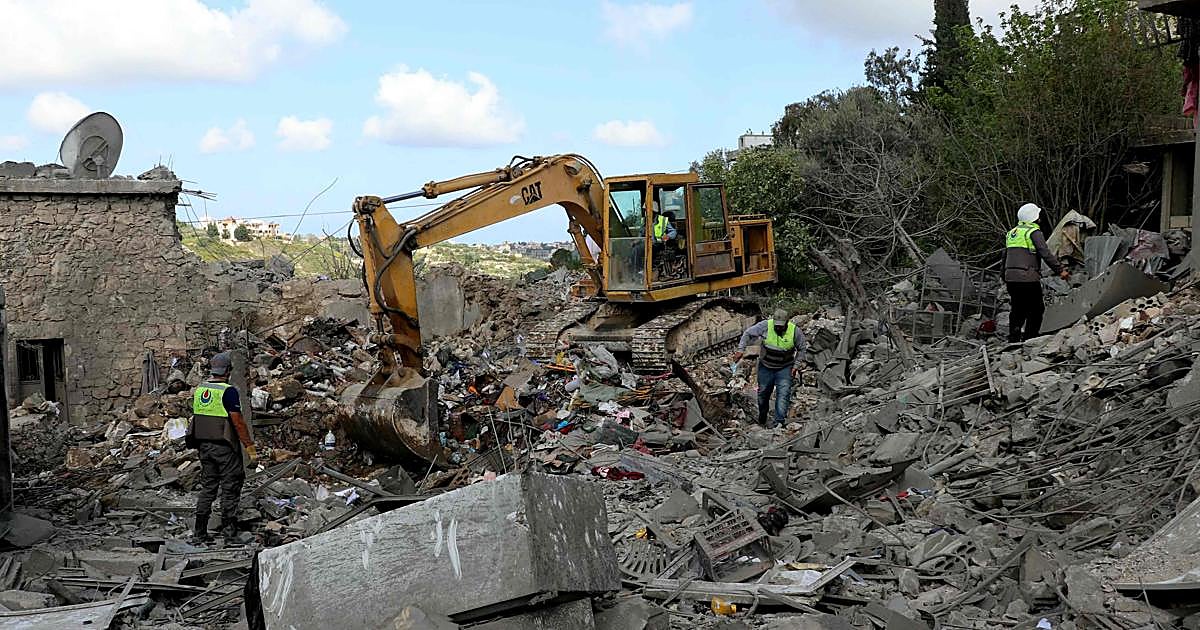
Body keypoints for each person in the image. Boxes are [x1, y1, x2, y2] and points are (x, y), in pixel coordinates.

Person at [187, 352, 257, 543]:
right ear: (228, 371)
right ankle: (229, 535)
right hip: (224, 448)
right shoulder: (228, 391)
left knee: (208, 487)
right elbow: (238, 423)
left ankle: (199, 533)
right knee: (230, 487)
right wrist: (249, 448)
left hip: (204, 447)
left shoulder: (201, 390)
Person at [1003, 203, 1070, 343]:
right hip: (1027, 277)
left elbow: (1005, 256)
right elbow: (1045, 253)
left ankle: (1014, 337)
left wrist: (1003, 275)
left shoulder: (1012, 233)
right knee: (1036, 309)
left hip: (1011, 277)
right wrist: (1060, 270)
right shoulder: (1033, 232)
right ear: (1034, 218)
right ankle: (1030, 339)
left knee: (1017, 308)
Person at [732, 309, 806, 428]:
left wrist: (796, 366)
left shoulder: (795, 331)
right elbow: (748, 334)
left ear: (787, 323)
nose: (778, 328)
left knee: (783, 394)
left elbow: (802, 348)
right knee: (763, 394)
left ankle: (779, 423)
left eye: (781, 326)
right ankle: (762, 417)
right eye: (776, 326)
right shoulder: (765, 325)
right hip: (766, 366)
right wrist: (741, 349)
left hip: (785, 367)